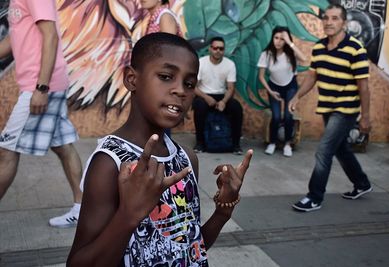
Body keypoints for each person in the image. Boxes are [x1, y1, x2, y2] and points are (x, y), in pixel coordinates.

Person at [67, 32, 253, 266]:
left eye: (189, 84)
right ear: (132, 79)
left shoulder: (186, 160)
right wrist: (128, 215)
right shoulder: (110, 163)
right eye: (166, 77)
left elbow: (190, 247)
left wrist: (223, 210)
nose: (181, 91)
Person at [0, 0, 83, 227]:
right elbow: (15, 38)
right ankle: (82, 207)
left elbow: (50, 35)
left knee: (6, 152)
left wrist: (41, 88)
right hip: (40, 84)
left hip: (40, 85)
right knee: (63, 145)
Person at [289, 4, 372, 212]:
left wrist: (365, 118)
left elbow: (364, 87)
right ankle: (362, 183)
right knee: (341, 149)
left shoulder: (355, 49)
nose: (329, 22)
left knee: (324, 150)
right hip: (327, 107)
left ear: (344, 22)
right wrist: (297, 96)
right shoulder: (318, 48)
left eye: (335, 18)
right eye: (326, 18)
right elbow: (312, 77)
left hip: (345, 110)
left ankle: (314, 196)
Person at [258, 26, 307, 157]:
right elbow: (261, 76)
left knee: (288, 116)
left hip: (291, 86)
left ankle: (287, 144)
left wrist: (290, 42)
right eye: (276, 38)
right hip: (273, 88)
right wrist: (271, 91)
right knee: (276, 117)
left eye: (282, 39)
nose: (278, 41)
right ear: (272, 38)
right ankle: (272, 143)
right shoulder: (266, 54)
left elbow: (304, 59)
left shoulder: (291, 53)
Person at [192, 36, 243, 155]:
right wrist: (206, 97)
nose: (218, 51)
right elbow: (193, 86)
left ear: (224, 50)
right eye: (215, 48)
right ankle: (200, 143)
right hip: (204, 94)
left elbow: (230, 88)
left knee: (236, 107)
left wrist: (224, 101)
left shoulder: (229, 64)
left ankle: (236, 145)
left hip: (221, 95)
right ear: (210, 49)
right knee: (199, 106)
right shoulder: (201, 62)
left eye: (221, 48)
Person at [141, 0, 182, 138]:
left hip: (164, 81)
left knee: (160, 123)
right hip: (156, 78)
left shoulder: (165, 16)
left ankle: (162, 157)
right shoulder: (154, 18)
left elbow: (169, 53)